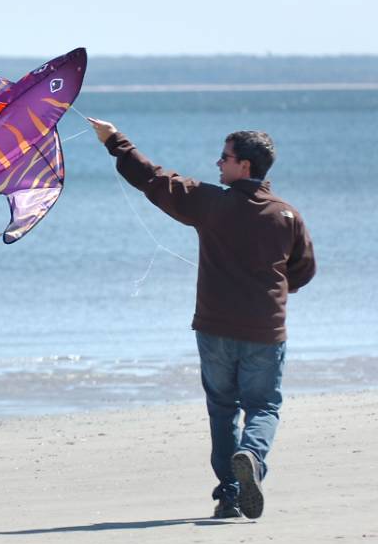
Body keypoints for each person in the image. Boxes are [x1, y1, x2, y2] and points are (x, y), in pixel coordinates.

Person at [88, 118, 315, 520]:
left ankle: (231, 491)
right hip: (262, 329)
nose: (218, 163)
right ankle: (250, 461)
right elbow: (302, 272)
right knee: (261, 407)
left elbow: (153, 179)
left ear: (245, 166)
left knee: (226, 409)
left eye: (225, 157)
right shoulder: (287, 215)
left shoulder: (216, 203)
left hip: (218, 330)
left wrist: (115, 141)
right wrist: (273, 289)